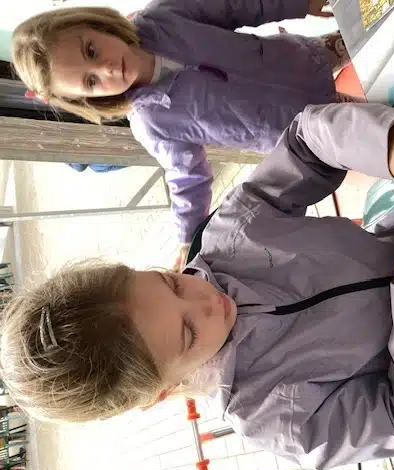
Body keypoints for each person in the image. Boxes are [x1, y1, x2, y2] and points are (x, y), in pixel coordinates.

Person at [0, 103, 394, 468]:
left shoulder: (233, 235)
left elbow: (306, 143)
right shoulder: (272, 418)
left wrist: (385, 143)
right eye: (188, 333)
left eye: (172, 283)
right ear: (163, 391)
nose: (206, 301)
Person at [11, 1, 352, 270]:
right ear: (90, 99)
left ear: (97, 25)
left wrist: (298, 2)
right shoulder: (152, 123)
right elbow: (187, 177)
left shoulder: (163, 16)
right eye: (91, 81)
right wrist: (187, 237)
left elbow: (237, 4)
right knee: (376, 117)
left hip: (305, 57)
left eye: (91, 51)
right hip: (306, 122)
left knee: (372, 30)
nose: (107, 69)